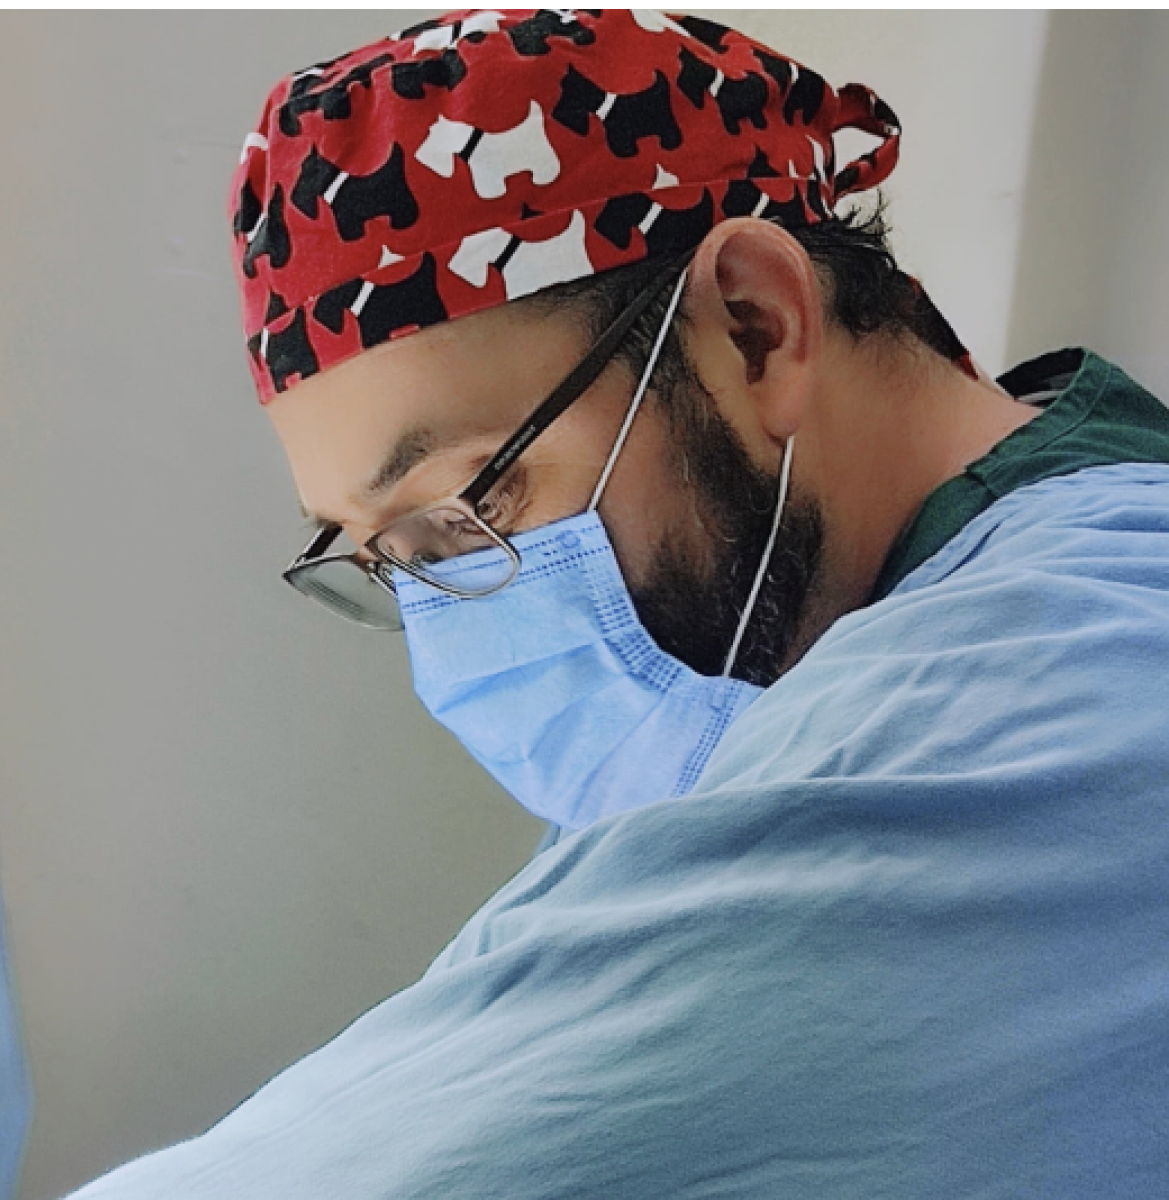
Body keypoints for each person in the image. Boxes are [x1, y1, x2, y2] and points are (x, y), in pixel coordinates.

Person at [66, 10, 1169, 1197]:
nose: (452, 634)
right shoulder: (795, 670)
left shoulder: (1066, 684)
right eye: (391, 555)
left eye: (474, 504)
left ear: (755, 325)